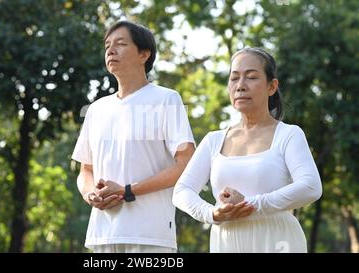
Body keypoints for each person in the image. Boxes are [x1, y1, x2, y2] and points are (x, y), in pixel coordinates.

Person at [172, 47, 322, 253]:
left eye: (251, 77)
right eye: (234, 78)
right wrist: (212, 213)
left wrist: (251, 205)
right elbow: (181, 191)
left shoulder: (289, 135)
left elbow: (311, 187)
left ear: (272, 86)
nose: (241, 86)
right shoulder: (213, 140)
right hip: (227, 243)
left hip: (278, 243)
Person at [71, 21, 195, 253]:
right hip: (102, 234)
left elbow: (186, 163)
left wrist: (128, 190)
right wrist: (90, 194)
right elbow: (85, 170)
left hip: (151, 235)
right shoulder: (96, 109)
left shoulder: (166, 99)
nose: (111, 50)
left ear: (144, 54)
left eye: (120, 44)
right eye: (107, 45)